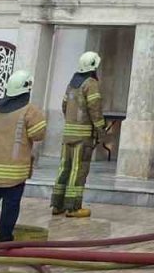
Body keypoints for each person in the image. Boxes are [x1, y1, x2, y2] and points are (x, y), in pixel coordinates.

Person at [0, 70, 47, 244]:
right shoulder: (30, 110)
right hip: (15, 172)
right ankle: (5, 237)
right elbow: (38, 134)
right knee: (11, 206)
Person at [52, 51, 105, 218]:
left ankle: (57, 205)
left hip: (68, 134)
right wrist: (100, 129)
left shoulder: (72, 83)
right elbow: (94, 109)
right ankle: (73, 207)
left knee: (64, 168)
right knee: (78, 169)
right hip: (82, 137)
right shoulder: (91, 84)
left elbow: (64, 106)